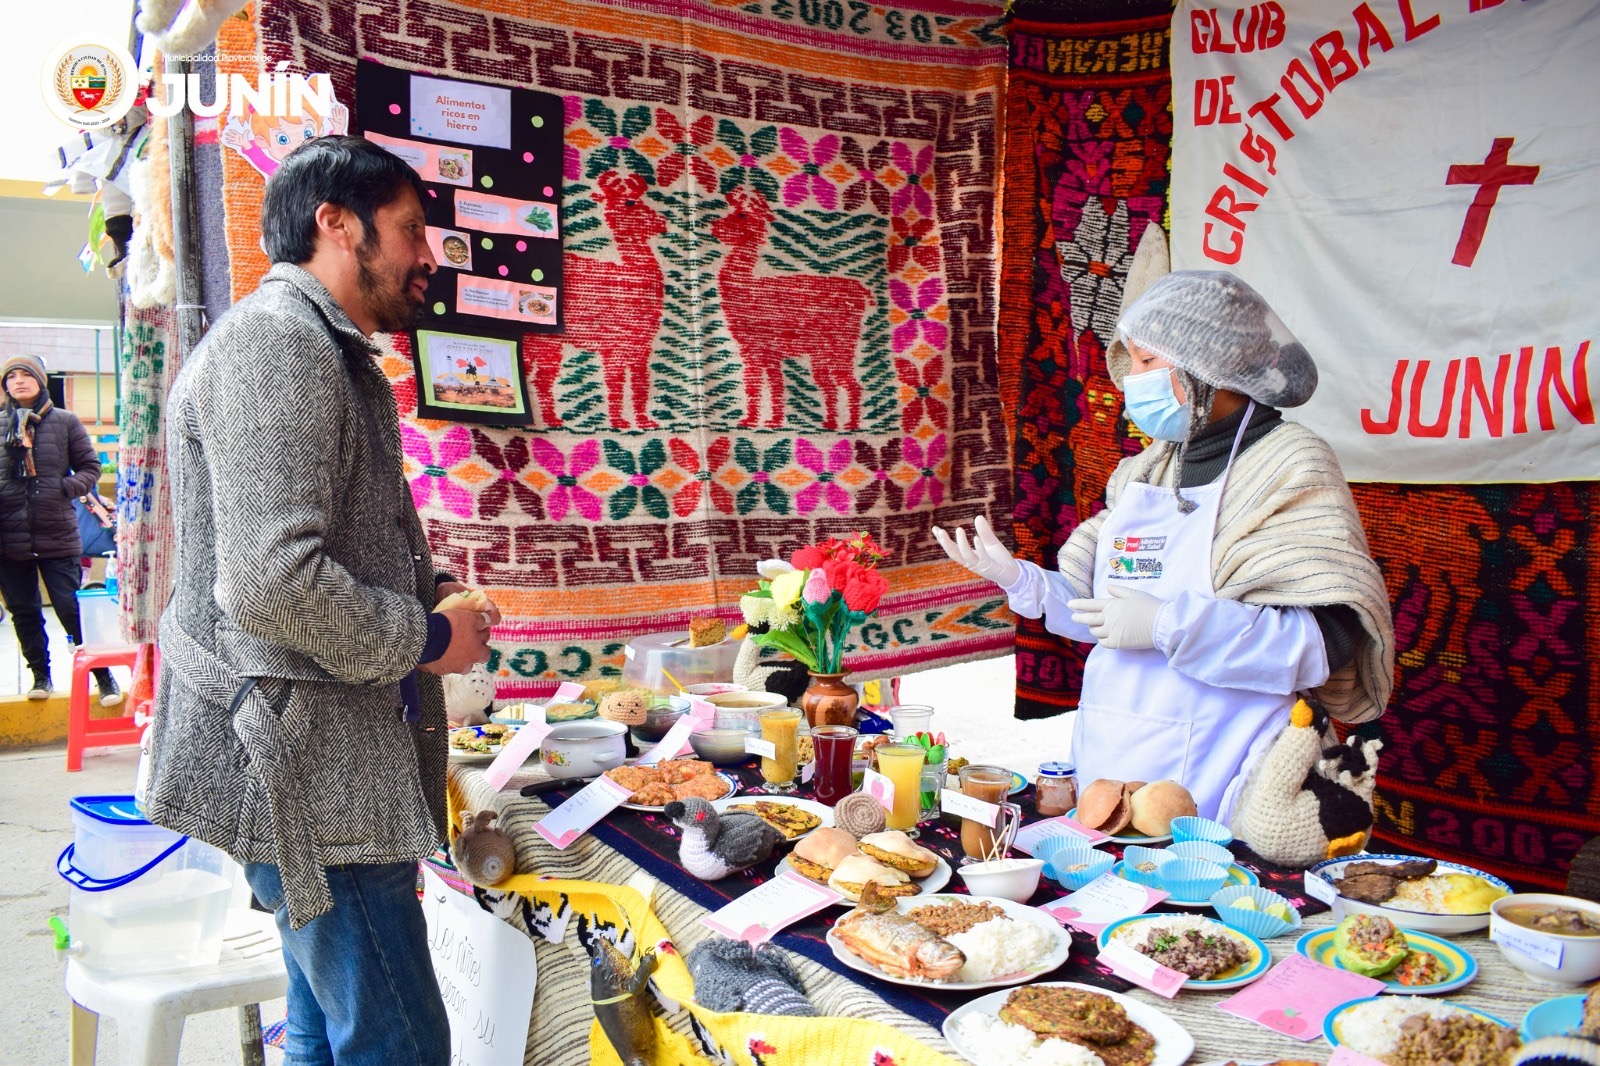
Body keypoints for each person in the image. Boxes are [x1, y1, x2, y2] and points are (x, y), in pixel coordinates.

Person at [144, 136, 496, 1065]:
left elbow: (305, 549)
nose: (428, 256)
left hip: (314, 759)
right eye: (412, 230)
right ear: (335, 225)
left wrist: (431, 590)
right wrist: (427, 637)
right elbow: (270, 581)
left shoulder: (310, 347)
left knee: (324, 1027)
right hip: (312, 770)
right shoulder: (279, 347)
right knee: (396, 1042)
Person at [936, 270, 1394, 823]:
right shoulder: (1145, 471)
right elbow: (1101, 616)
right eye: (1130, 361)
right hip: (1109, 759)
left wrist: (1167, 626)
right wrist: (1026, 584)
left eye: (1148, 362)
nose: (1131, 379)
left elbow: (1326, 646)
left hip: (1226, 767)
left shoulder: (1290, 463)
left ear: (1213, 367)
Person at [0, 354, 120, 705]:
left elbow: (90, 467)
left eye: (26, 374)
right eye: (11, 376)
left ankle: (103, 677)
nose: (18, 381)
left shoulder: (65, 421)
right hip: (9, 538)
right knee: (23, 610)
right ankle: (40, 676)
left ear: (39, 380)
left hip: (58, 532)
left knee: (70, 608)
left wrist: (65, 489)